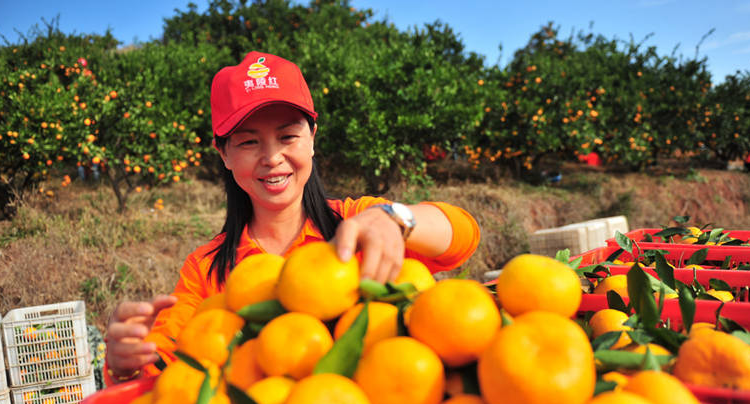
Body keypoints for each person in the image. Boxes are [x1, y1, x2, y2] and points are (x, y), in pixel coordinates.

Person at [103, 51, 481, 384]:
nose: (272, 158)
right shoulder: (206, 270)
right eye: (249, 142)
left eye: (287, 137)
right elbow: (161, 367)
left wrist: (396, 218)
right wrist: (125, 363)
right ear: (224, 154)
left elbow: (461, 237)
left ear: (312, 138)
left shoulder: (355, 223)